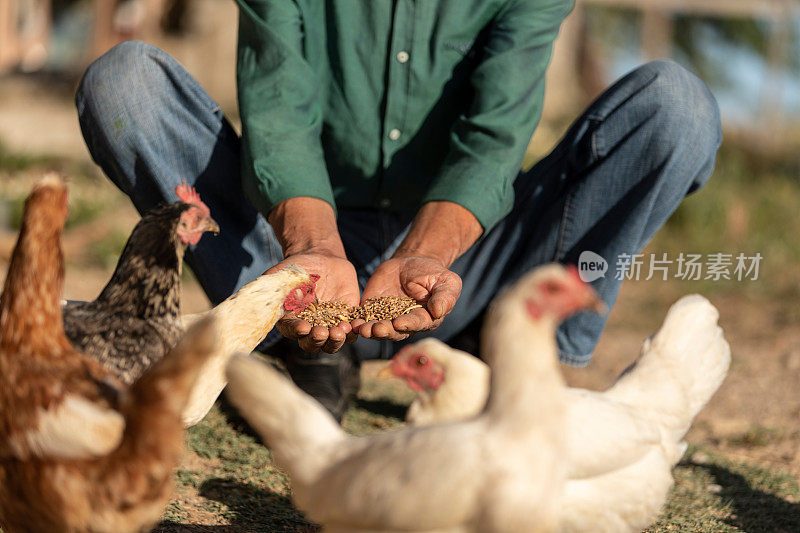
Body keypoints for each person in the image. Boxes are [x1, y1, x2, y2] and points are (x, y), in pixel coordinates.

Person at [75, 0, 722, 421]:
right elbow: (277, 107)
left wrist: (426, 253)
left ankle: (518, 348)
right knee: (123, 85)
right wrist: (315, 249)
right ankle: (297, 344)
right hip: (290, 250)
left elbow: (492, 140)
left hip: (460, 258)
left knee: (678, 110)